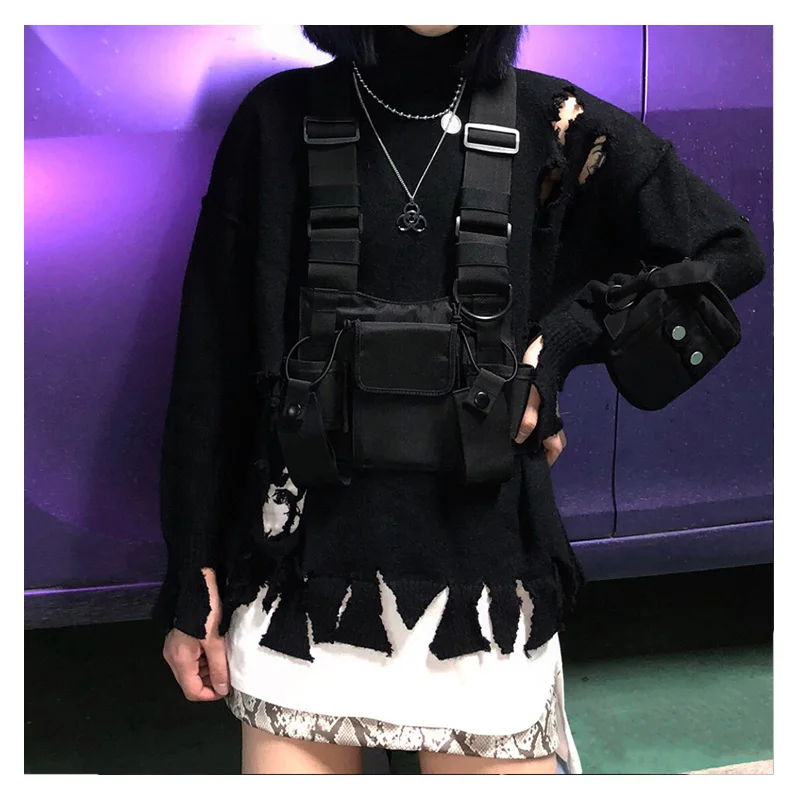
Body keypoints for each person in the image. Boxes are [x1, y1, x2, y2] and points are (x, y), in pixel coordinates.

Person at [156, 25, 766, 775]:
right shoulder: (276, 118)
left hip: (484, 585)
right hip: (300, 581)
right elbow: (210, 366)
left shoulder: (554, 121)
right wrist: (192, 574)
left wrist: (559, 344)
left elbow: (727, 248)